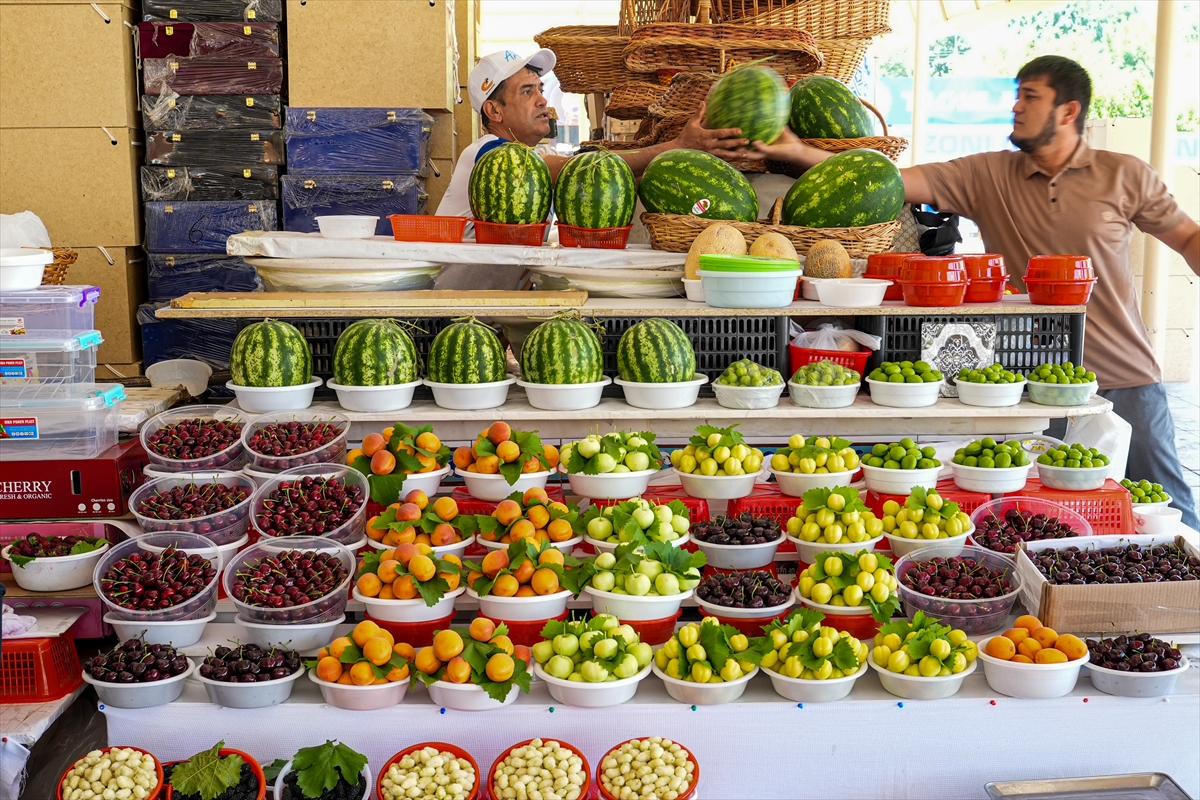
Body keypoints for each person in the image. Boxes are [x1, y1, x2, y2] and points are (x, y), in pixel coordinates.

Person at [752, 55, 1200, 528]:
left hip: (1124, 376)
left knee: (1171, 510)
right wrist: (799, 152)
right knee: (1037, 516)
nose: (1016, 107)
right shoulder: (988, 175)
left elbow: (1188, 237)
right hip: (1031, 386)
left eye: (1030, 97)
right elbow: (887, 181)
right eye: (1016, 95)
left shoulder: (1126, 174)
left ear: (1068, 112)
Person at [436, 48, 749, 218]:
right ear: (494, 111)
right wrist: (679, 145)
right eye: (527, 92)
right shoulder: (488, 152)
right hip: (450, 309)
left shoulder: (535, 155)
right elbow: (583, 171)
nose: (543, 100)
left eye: (541, 90)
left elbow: (607, 177)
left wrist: (679, 164)